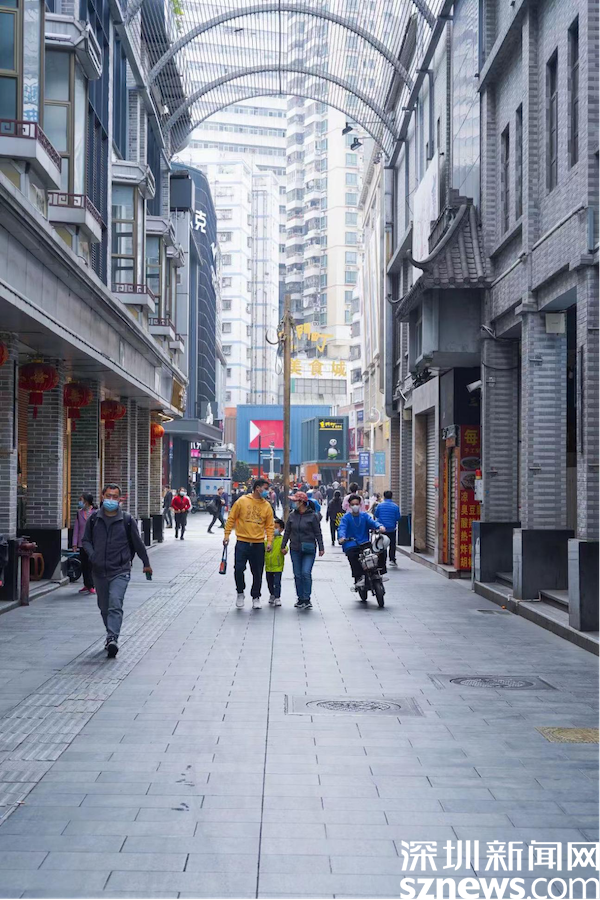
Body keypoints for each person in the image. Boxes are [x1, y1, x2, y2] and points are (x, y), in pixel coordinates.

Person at [82, 483, 152, 658]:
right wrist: (93, 555)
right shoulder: (94, 519)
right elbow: (86, 540)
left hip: (120, 570)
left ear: (120, 499)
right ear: (102, 496)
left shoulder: (127, 520)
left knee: (115, 602)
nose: (111, 500)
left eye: (115, 497)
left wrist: (146, 563)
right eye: (108, 496)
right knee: (104, 606)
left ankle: (112, 637)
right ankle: (110, 633)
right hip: (99, 570)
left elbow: (138, 543)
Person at [224, 477, 274, 609]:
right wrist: (227, 535)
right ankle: (240, 592)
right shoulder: (242, 501)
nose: (267, 491)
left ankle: (256, 596)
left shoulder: (267, 506)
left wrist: (269, 541)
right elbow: (231, 518)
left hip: (258, 543)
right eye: (265, 488)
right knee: (238, 569)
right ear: (257, 488)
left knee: (257, 572)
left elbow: (270, 525)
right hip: (242, 542)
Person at [281, 491, 325, 610]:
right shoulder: (292, 516)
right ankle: (300, 598)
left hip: (309, 549)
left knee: (306, 573)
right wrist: (283, 545)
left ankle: (306, 598)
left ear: (301, 502)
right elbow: (287, 532)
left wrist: (321, 547)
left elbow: (318, 533)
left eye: (295, 501)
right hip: (295, 548)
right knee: (297, 574)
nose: (293, 503)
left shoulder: (313, 516)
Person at [338, 494, 386, 589]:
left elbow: (372, 522)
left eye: (357, 504)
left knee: (380, 551)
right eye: (353, 504)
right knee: (353, 556)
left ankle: (380, 571)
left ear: (360, 505)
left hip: (365, 543)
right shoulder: (346, 518)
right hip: (351, 544)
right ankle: (358, 577)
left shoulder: (364, 516)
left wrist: (380, 526)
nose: (355, 506)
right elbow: (342, 528)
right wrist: (342, 537)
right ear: (349, 505)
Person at [72, 492, 96, 594]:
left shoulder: (96, 512)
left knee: (92, 565)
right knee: (84, 565)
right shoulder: (79, 513)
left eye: (81, 500)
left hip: (93, 543)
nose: (80, 502)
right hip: (82, 543)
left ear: (87, 501)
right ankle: (87, 584)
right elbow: (76, 529)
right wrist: (74, 543)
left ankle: (92, 585)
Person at [376, 490, 401, 568]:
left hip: (382, 529)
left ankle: (382, 560)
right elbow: (398, 518)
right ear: (391, 496)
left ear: (384, 496)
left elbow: (376, 515)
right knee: (392, 544)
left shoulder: (379, 506)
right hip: (392, 529)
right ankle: (392, 559)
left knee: (382, 545)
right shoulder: (395, 506)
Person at [265, 517, 285, 606]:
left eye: (276, 527)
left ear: (281, 529)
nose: (274, 529)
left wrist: (284, 550)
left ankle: (277, 597)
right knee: (269, 582)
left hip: (278, 565)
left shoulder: (282, 539)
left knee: (277, 582)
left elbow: (285, 547)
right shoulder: (267, 539)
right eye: (272, 527)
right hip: (268, 565)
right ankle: (272, 594)